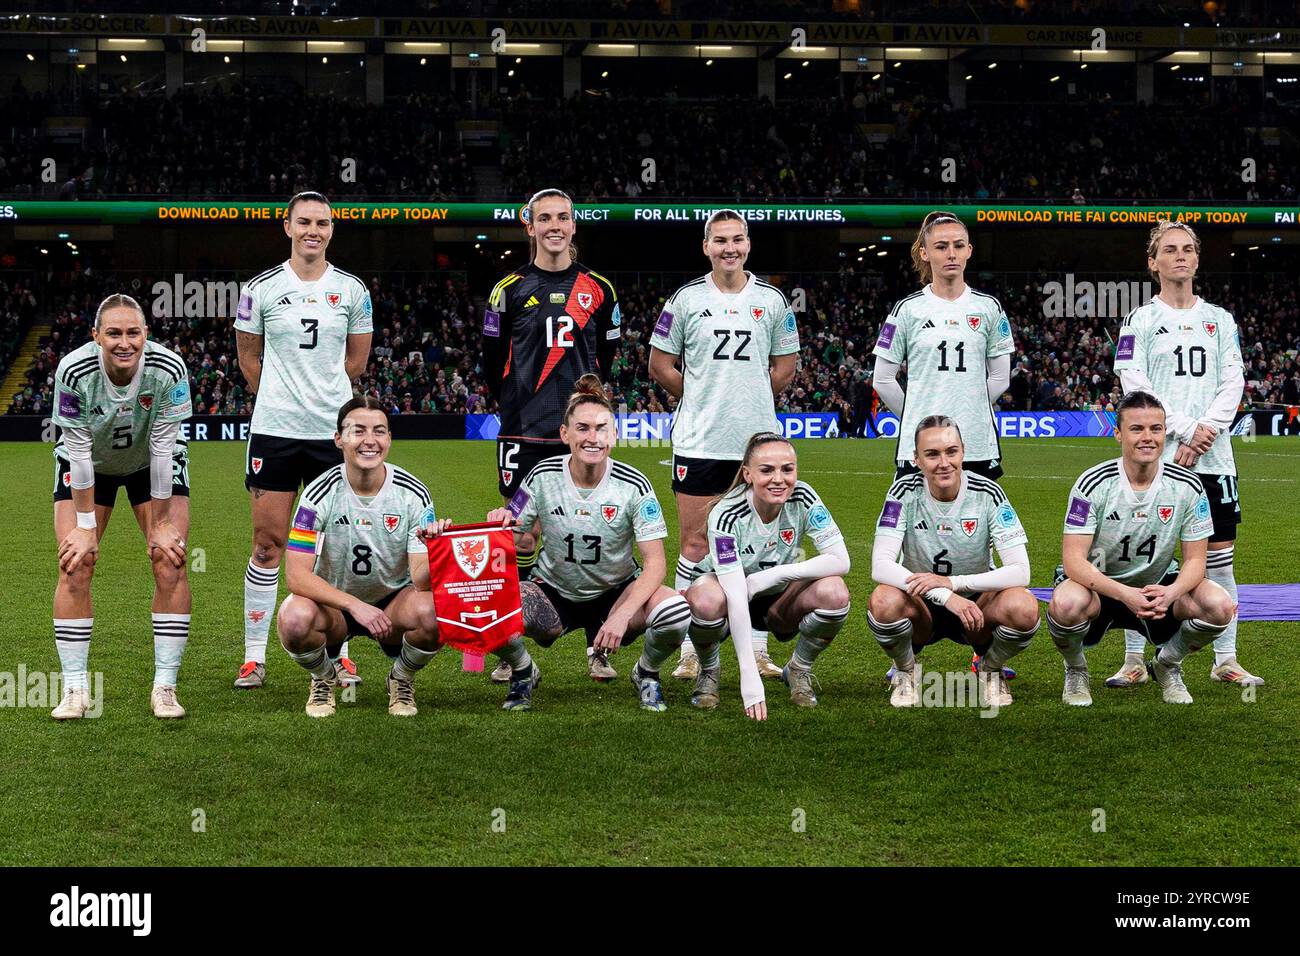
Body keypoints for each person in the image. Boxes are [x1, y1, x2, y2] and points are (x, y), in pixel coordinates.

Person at [277, 397, 535, 717]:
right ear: (338, 438)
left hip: (394, 604)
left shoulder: (413, 493)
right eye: (358, 431)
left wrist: (437, 547)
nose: (369, 440)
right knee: (293, 618)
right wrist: (355, 606)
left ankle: (400, 679)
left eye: (379, 431)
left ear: (389, 439)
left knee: (433, 612)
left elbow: (420, 580)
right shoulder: (318, 493)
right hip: (337, 606)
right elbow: (296, 577)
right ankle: (323, 678)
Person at [648, 209, 800, 683]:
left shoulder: (772, 300)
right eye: (720, 241)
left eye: (737, 239)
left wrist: (749, 401)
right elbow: (660, 363)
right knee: (695, 544)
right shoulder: (686, 299)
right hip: (699, 441)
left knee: (759, 549)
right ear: (706, 247)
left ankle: (754, 650)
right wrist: (701, 398)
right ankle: (691, 649)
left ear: (748, 245)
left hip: (758, 447)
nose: (729, 248)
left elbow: (785, 366)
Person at [481, 187, 621, 684]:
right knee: (517, 534)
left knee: (598, 528)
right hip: (525, 429)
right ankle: (509, 644)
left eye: (563, 217)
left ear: (574, 225)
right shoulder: (509, 289)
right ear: (530, 225)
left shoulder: (599, 289)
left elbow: (609, 362)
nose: (555, 226)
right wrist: (519, 400)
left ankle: (597, 646)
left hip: (583, 431)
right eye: (545, 218)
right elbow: (490, 361)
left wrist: (593, 412)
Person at [234, 190, 373, 690]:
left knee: (335, 546)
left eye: (323, 223)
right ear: (287, 227)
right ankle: (254, 656)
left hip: (331, 435)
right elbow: (248, 357)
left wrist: (323, 401)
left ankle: (341, 651)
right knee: (268, 544)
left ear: (331, 230)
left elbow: (356, 363)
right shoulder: (260, 287)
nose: (314, 230)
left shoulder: (353, 289)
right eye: (305, 222)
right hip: (274, 430)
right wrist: (277, 395)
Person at [487, 376, 691, 713]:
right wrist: (500, 522)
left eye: (601, 428)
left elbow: (655, 563)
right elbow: (519, 536)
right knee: (492, 608)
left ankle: (647, 674)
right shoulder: (540, 475)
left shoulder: (633, 485)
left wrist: (623, 615)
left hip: (616, 593)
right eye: (582, 428)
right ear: (565, 434)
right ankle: (524, 672)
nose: (592, 438)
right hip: (553, 591)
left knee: (674, 610)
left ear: (613, 435)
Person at [1110, 220, 1257, 688]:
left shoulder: (1220, 319)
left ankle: (1225, 659)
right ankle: (1135, 658)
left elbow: (1233, 380)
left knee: (1219, 560)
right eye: (1169, 250)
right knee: (1140, 559)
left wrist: (1208, 430)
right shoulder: (1140, 320)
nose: (1180, 256)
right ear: (1152, 263)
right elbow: (1135, 386)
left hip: (1213, 459)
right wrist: (1188, 430)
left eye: (1188, 249)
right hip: (1154, 456)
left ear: (1197, 258)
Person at [49, 294, 193, 719]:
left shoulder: (169, 368)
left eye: (133, 332)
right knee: (76, 562)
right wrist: (85, 525)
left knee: (170, 560)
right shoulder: (74, 370)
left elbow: (165, 448)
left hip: (152, 462)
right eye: (113, 333)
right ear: (96, 336)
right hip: (90, 463)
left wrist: (163, 522)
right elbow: (76, 450)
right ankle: (76, 690)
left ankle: (165, 688)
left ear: (146, 335)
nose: (124, 342)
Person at [1046, 391, 1236, 706]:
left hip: (1156, 588)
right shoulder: (1093, 483)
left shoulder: (1188, 486)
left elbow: (1195, 562)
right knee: (1066, 603)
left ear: (1165, 433)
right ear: (1118, 433)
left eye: (1156, 429)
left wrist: (1172, 593)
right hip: (1100, 586)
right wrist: (1124, 594)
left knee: (1218, 605)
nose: (1147, 438)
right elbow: (1073, 561)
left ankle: (1168, 665)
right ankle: (1076, 670)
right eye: (1137, 429)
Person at [866, 416, 1039, 708]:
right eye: (931, 454)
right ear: (916, 459)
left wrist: (954, 584)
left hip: (976, 608)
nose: (943, 462)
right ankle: (906, 671)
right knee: (882, 600)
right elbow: (880, 565)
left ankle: (991, 668)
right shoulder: (903, 492)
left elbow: (1021, 571)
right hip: (921, 604)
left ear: (963, 452)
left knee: (1023, 606)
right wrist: (945, 595)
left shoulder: (988, 493)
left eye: (951, 451)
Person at [684, 433, 850, 717]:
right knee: (705, 600)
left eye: (787, 469)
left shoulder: (804, 496)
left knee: (835, 592)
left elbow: (840, 560)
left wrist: (773, 576)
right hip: (728, 596)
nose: (779, 479)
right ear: (747, 474)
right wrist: (750, 678)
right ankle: (710, 670)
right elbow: (737, 596)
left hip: (777, 599)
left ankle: (798, 669)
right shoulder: (727, 513)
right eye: (766, 470)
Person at [872, 210, 1015, 481]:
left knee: (979, 519)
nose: (951, 253)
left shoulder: (989, 308)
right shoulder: (907, 309)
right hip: (921, 445)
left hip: (975, 443)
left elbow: (1000, 377)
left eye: (958, 246)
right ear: (925, 253)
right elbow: (882, 379)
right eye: (941, 246)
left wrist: (969, 405)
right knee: (915, 522)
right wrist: (918, 418)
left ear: (969, 251)